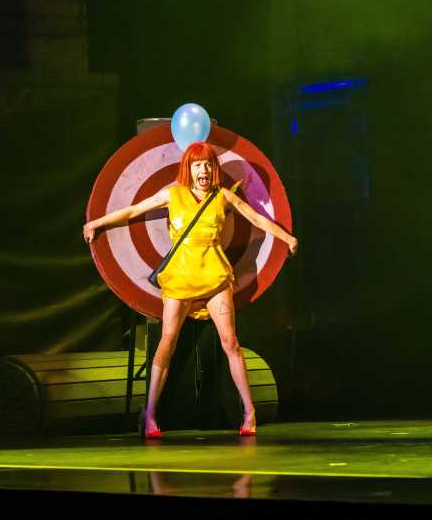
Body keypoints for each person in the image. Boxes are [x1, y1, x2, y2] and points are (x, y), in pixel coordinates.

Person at [83, 141, 298, 438]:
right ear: (189, 168)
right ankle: (150, 415)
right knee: (167, 341)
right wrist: (96, 222)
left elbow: (257, 219)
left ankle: (249, 412)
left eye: (208, 164)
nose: (204, 169)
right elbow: (134, 210)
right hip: (180, 279)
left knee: (230, 342)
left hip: (214, 277)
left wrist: (285, 238)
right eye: (198, 164)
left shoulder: (222, 196)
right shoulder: (173, 195)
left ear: (214, 169)